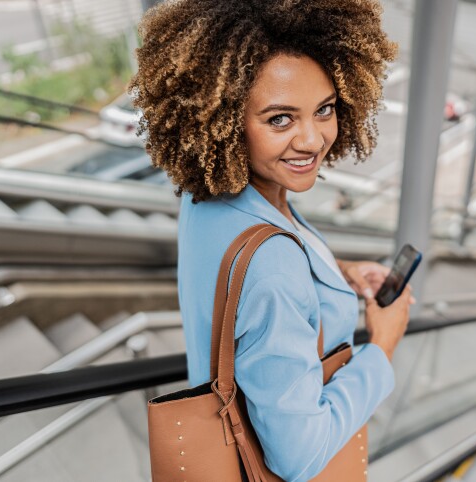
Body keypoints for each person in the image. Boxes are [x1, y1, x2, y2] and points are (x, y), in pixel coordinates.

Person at [129, 1, 413, 480]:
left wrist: (335, 271)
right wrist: (381, 348)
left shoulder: (210, 196)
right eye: (280, 119)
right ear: (222, 119)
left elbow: (246, 274)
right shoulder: (274, 270)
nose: (312, 139)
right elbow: (298, 458)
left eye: (324, 109)